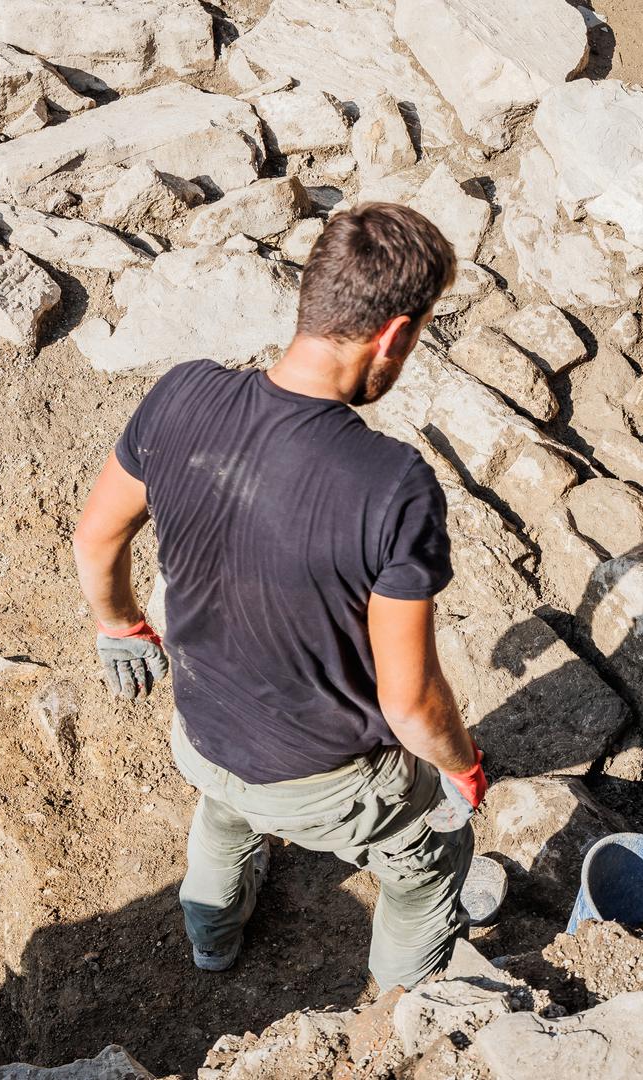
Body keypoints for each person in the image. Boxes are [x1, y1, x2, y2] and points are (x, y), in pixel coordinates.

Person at [71, 203, 487, 991]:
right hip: (326, 782)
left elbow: (96, 538)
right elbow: (408, 705)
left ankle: (212, 945)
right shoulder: (392, 486)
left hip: (202, 735)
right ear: (394, 334)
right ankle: (403, 1023)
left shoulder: (183, 394)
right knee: (430, 867)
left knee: (224, 815)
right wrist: (460, 769)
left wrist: (119, 624)